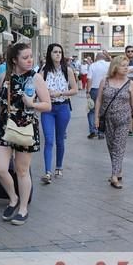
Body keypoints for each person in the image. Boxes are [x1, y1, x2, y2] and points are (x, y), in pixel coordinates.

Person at [0, 43, 51, 225]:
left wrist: (32, 104)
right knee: (0, 168)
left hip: (26, 127)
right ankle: (13, 198)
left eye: (30, 57)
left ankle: (23, 208)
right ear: (14, 60)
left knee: (22, 171)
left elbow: (47, 105)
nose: (29, 60)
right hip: (5, 127)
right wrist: (1, 121)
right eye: (25, 57)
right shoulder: (5, 77)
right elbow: (1, 104)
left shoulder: (36, 78)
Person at [95, 56, 133, 189]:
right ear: (115, 67)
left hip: (124, 120)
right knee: (111, 146)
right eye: (123, 65)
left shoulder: (131, 84)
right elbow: (99, 99)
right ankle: (118, 169)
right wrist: (96, 117)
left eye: (127, 65)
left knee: (118, 146)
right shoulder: (105, 81)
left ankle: (114, 176)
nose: (126, 68)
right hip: (108, 119)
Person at [39, 44, 78, 183]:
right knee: (49, 140)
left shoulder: (67, 70)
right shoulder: (43, 71)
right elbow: (37, 87)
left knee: (60, 139)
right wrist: (44, 94)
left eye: (60, 52)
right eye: (55, 52)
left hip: (63, 107)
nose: (58, 54)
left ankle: (59, 166)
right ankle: (47, 172)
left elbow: (75, 89)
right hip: (48, 109)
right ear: (50, 54)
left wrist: (60, 93)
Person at [87, 52, 111, 140]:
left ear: (97, 58)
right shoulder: (109, 64)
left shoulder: (93, 66)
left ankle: (93, 130)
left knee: (92, 111)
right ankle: (101, 132)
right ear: (104, 58)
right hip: (106, 89)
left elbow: (89, 79)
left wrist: (87, 91)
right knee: (103, 111)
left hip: (95, 89)